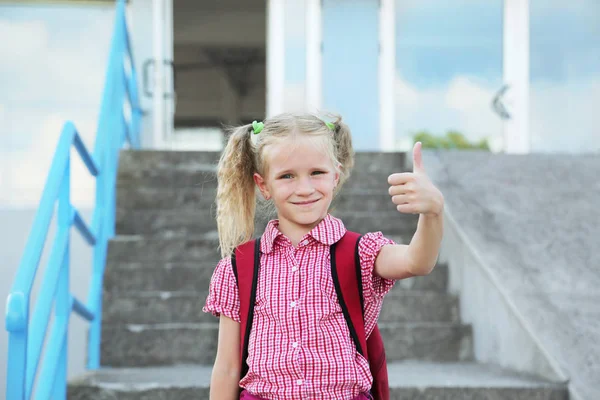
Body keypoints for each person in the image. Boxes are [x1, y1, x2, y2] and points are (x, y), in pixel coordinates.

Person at [203, 113, 444, 400]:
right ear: (264, 185)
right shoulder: (238, 267)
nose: (304, 188)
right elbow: (228, 368)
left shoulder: (361, 253)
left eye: (316, 172)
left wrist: (432, 213)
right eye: (287, 176)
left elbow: (417, 261)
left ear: (335, 176)